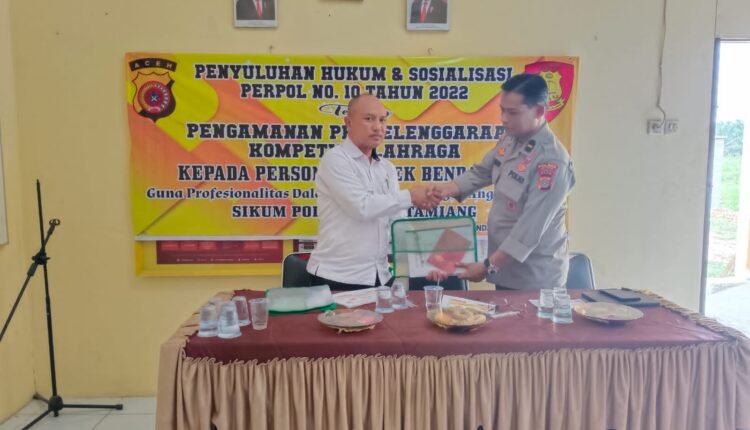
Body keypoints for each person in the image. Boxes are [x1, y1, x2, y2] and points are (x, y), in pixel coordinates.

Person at [430, 73, 576, 290]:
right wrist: (443, 191)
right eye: (502, 110)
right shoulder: (511, 138)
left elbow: (529, 229)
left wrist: (488, 266)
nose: (504, 119)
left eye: (512, 112)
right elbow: (482, 172)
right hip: (506, 270)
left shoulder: (551, 162)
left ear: (539, 111)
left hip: (535, 278)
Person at [307, 94, 440, 290]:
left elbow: (398, 223)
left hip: (380, 275)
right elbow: (362, 208)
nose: (378, 127)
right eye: (369, 119)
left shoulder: (387, 168)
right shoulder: (335, 159)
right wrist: (411, 196)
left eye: (383, 120)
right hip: (337, 276)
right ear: (348, 122)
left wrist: (426, 262)